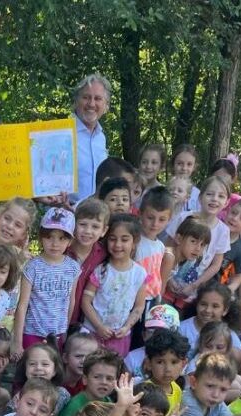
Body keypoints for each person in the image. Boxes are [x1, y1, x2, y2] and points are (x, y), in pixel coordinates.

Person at [13, 208, 81, 355]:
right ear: (41, 238)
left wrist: (65, 330)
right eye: (49, 237)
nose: (55, 243)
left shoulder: (73, 267)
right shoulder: (32, 266)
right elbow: (22, 305)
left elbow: (71, 301)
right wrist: (17, 341)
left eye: (62, 238)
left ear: (70, 241)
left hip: (57, 334)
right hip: (32, 332)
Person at [81, 215, 149, 357]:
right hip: (92, 334)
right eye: (112, 239)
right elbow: (85, 301)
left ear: (135, 241)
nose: (118, 245)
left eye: (124, 239)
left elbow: (139, 307)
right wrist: (98, 326)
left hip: (119, 337)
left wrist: (126, 327)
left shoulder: (140, 274)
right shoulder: (101, 270)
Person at [66, 198, 111, 327]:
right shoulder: (62, 250)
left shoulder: (104, 255)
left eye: (95, 226)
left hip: (88, 322)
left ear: (104, 231)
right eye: (83, 224)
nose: (87, 231)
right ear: (74, 225)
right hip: (59, 316)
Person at [71, 74, 112, 202]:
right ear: (76, 101)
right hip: (65, 211)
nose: (91, 104)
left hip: (97, 211)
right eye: (86, 97)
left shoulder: (101, 138)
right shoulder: (61, 133)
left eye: (98, 98)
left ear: (106, 105)